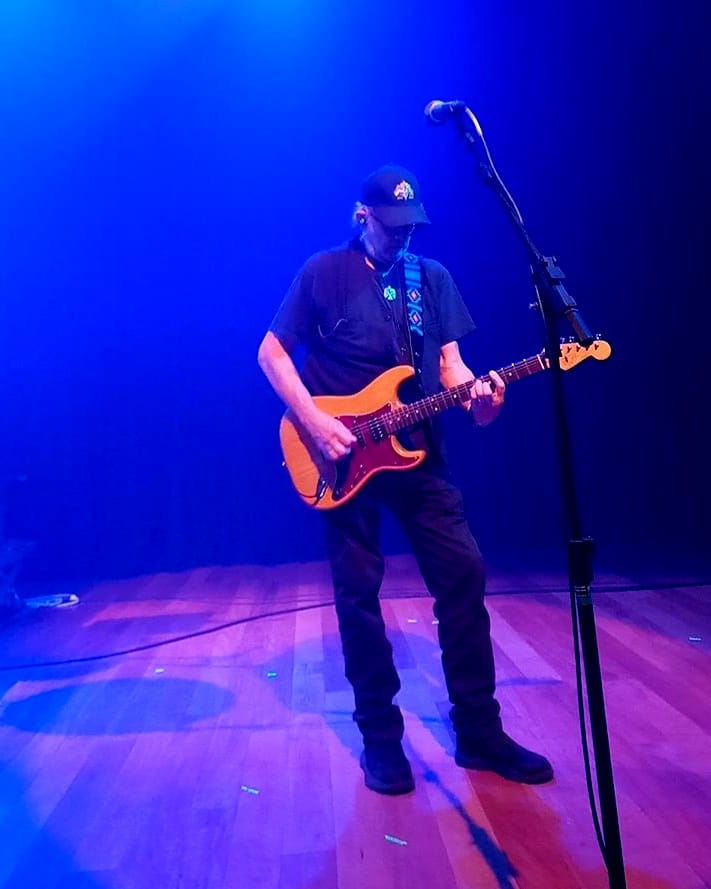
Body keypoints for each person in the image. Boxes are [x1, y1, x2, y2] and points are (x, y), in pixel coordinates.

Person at [257, 164, 553, 794]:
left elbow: (451, 367)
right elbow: (271, 352)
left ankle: (479, 731)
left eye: (410, 227)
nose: (401, 237)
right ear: (361, 216)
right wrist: (314, 423)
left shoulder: (431, 278)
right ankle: (380, 739)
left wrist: (481, 398)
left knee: (464, 573)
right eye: (391, 227)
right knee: (358, 596)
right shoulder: (323, 271)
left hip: (418, 452)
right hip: (342, 457)